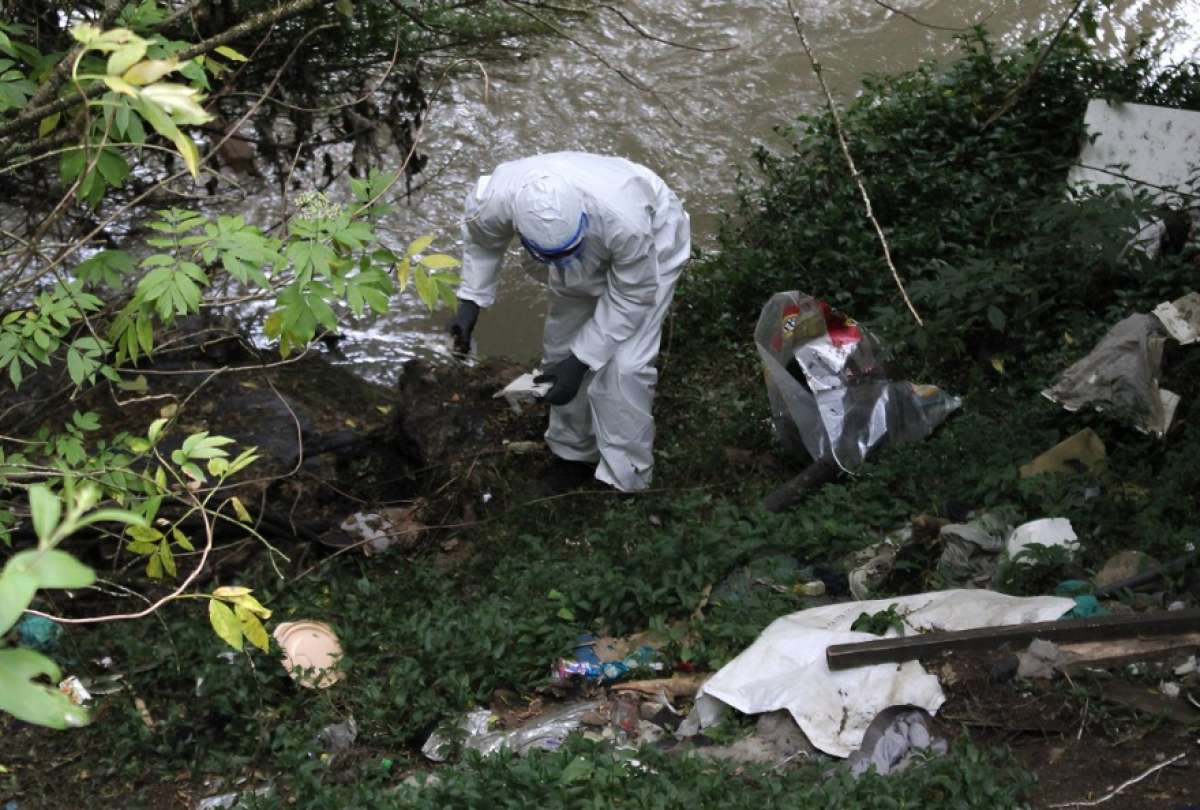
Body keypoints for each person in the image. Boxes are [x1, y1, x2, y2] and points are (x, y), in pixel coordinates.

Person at [447, 152, 691, 492]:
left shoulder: (627, 223)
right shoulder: (496, 198)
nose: (563, 262)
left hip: (652, 244)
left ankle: (626, 478)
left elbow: (632, 297)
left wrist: (581, 362)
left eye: (568, 251)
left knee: (624, 367)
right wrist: (470, 302)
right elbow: (482, 241)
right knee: (560, 352)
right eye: (552, 257)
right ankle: (573, 454)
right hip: (595, 249)